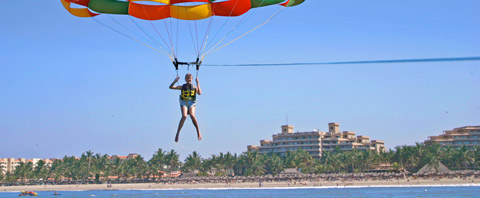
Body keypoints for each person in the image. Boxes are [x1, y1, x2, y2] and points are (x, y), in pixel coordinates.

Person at [169, 73, 202, 142]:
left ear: (192, 79)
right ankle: (177, 133)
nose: (188, 79)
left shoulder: (194, 87)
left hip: (192, 103)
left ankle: (198, 131)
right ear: (185, 79)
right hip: (184, 102)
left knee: (192, 115)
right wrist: (175, 81)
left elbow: (199, 93)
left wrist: (197, 82)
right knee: (184, 116)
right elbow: (171, 87)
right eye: (187, 78)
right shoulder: (182, 87)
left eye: (189, 78)